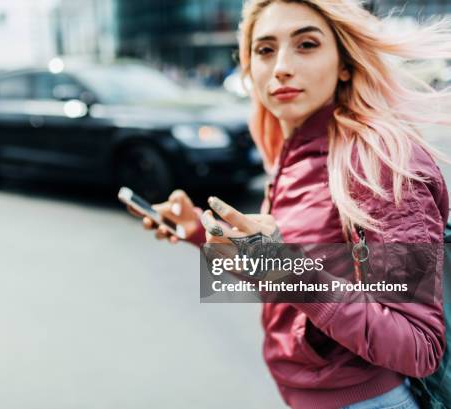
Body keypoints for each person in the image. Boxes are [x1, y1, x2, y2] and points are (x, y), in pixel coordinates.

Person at [126, 1, 451, 408]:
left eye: (306, 44)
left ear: (344, 62)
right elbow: (285, 282)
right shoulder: (294, 154)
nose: (281, 66)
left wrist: (288, 269)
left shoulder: (380, 163)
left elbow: (418, 347)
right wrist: (198, 232)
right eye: (265, 50)